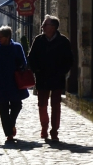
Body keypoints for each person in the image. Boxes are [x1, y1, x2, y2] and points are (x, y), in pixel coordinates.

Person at [28, 15, 73, 143]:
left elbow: (69, 60)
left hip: (56, 78)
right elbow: (31, 57)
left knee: (55, 105)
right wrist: (36, 70)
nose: (42, 27)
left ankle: (54, 131)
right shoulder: (39, 40)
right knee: (42, 105)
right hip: (42, 77)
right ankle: (44, 128)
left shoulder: (63, 41)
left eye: (45, 24)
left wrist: (61, 72)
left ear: (53, 27)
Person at [0, 26, 29, 143]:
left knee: (17, 105)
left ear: (7, 37)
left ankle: (11, 123)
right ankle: (9, 134)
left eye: (0, 37)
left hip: (14, 83)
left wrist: (21, 65)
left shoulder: (17, 47)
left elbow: (24, 63)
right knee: (2, 109)